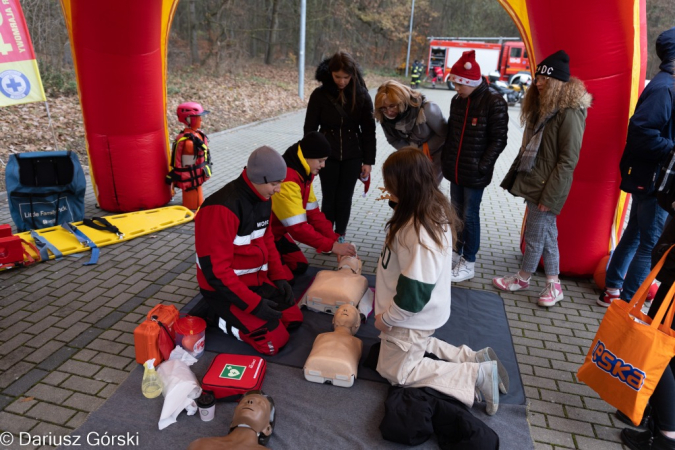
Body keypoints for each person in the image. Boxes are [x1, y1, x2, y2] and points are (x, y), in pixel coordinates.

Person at [373, 148, 509, 416]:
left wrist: (386, 319)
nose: (387, 190)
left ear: (405, 186)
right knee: (413, 345)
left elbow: (414, 293)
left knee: (396, 372)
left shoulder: (417, 229)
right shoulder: (430, 208)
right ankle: (472, 357)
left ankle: (475, 374)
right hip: (417, 318)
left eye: (391, 186)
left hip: (408, 317)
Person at [493, 50, 592, 307]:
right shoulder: (546, 107)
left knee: (535, 235)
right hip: (536, 181)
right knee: (548, 235)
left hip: (547, 186)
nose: (538, 82)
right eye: (538, 77)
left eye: (545, 79)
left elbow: (568, 160)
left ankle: (523, 278)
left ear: (557, 81)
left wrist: (550, 196)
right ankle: (553, 284)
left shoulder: (570, 111)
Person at [194, 146, 303, 356]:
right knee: (273, 343)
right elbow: (217, 273)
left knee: (293, 318)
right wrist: (254, 305)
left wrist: (279, 278)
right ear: (259, 179)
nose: (278, 189)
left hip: (254, 281)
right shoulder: (221, 209)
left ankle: (233, 314)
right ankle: (215, 316)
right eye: (274, 184)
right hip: (223, 290)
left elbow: (268, 239)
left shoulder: (263, 199)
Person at [598, 27, 675, 308]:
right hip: (656, 180)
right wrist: (673, 148)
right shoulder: (667, 87)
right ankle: (627, 305)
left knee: (634, 234)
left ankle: (612, 291)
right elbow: (641, 131)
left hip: (651, 177)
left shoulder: (666, 84)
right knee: (649, 244)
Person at [440, 50, 509, 282]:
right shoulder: (457, 100)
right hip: (455, 169)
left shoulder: (494, 101)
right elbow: (452, 133)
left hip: (475, 173)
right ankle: (454, 252)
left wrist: (482, 165)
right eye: (455, 84)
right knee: (455, 214)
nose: (457, 89)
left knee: (470, 216)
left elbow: (499, 139)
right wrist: (448, 159)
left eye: (460, 84)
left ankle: (469, 261)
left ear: (471, 81)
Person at [304, 51, 376, 241]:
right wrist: (311, 157)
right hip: (327, 155)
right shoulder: (319, 95)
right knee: (329, 197)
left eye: (346, 77)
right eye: (337, 77)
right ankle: (327, 234)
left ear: (352, 74)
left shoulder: (361, 95)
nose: (342, 81)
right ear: (330, 73)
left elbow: (369, 131)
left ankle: (340, 233)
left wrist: (368, 161)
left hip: (354, 155)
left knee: (345, 198)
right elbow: (310, 129)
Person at [271, 132, 357, 277]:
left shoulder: (304, 174)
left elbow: (314, 214)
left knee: (299, 266)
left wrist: (334, 240)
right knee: (285, 279)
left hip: (277, 234)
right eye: (320, 161)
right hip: (263, 237)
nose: (323, 165)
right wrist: (332, 246)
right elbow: (298, 228)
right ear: (307, 157)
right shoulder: (288, 180)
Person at [374, 80, 447, 185]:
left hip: (434, 156)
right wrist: (411, 152)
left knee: (427, 189)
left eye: (392, 106)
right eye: (383, 108)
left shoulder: (427, 109)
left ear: (402, 100)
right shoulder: (383, 116)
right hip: (412, 157)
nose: (389, 112)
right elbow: (392, 140)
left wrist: (419, 152)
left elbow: (443, 134)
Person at [188, 391, 275, 450]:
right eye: (245, 401)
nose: (250, 402)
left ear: (267, 429)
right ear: (233, 419)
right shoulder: (201, 444)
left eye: (261, 404)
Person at [167, 102, 213, 210]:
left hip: (196, 184)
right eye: (198, 117)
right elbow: (189, 170)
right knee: (194, 201)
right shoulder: (189, 143)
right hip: (192, 188)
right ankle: (193, 206)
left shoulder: (195, 136)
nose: (201, 120)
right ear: (189, 119)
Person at [304, 303, 363, 386]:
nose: (345, 310)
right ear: (333, 320)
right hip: (316, 363)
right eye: (340, 310)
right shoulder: (321, 335)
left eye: (351, 311)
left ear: (357, 323)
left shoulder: (357, 342)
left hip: (345, 368)